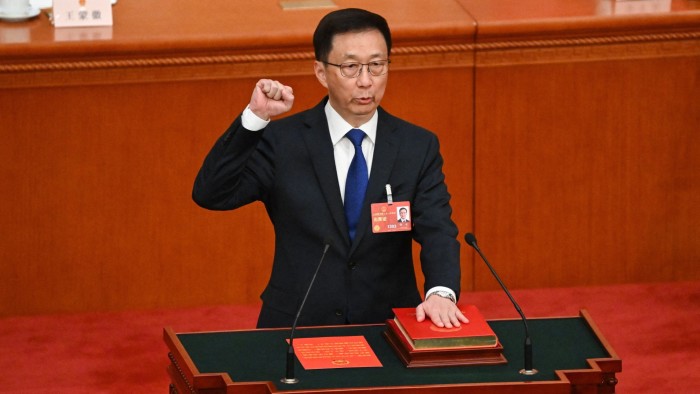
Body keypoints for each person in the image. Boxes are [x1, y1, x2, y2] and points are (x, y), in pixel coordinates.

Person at [193, 8, 467, 329]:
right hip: (297, 326)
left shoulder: (416, 146)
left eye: (377, 65)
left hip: (387, 325)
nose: (365, 81)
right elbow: (212, 193)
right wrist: (255, 119)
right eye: (350, 67)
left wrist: (441, 291)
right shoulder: (283, 142)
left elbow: (438, 230)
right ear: (321, 72)